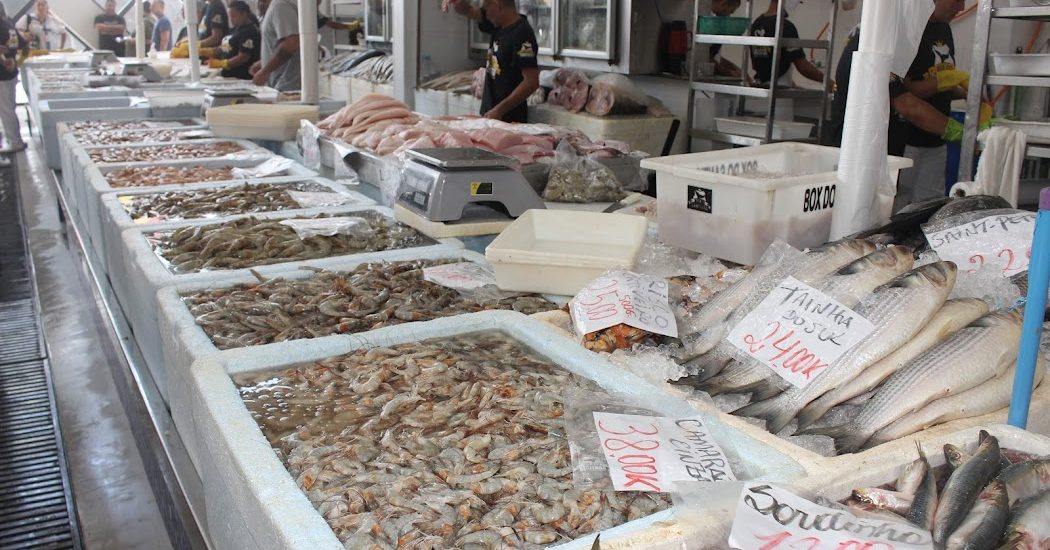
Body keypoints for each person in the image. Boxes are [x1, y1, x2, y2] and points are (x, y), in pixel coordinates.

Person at [895, 0, 967, 209]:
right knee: (899, 204)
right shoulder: (910, 29)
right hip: (908, 140)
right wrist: (942, 82)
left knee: (930, 206)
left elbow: (940, 80)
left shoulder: (944, 29)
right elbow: (905, 92)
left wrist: (968, 95)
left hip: (936, 140)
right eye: (957, 0)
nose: (961, 7)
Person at [450, 0, 540, 123]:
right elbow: (468, 10)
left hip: (509, 120)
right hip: (490, 116)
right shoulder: (497, 26)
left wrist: (499, 110)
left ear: (497, 5)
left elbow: (531, 82)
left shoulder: (522, 33)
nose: (486, 16)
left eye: (487, 11)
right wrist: (457, 3)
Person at [748, 0, 823, 86]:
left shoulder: (756, 24)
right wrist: (831, 84)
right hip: (779, 90)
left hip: (760, 86)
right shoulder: (785, 26)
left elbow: (762, 63)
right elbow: (803, 67)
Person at [251, 0, 301, 90]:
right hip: (278, 83)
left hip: (288, 86)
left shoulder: (280, 6)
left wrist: (265, 71)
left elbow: (291, 44)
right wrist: (264, 62)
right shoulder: (274, 7)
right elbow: (277, 44)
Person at [209, 1, 259, 80]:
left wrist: (224, 63)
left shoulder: (250, 32)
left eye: (234, 16)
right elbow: (225, 46)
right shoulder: (235, 29)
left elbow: (243, 57)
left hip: (240, 77)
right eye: (230, 17)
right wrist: (209, 51)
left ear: (244, 14)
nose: (231, 19)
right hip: (226, 75)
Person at [0, 3, 26, 152]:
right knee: (9, 108)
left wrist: (6, 60)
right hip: (10, 72)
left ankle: (15, 141)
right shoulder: (8, 25)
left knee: (6, 109)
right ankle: (15, 139)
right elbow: (20, 45)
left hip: (3, 73)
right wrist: (13, 60)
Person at [710, 0, 742, 79]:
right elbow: (705, 57)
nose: (729, 15)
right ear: (724, 4)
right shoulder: (707, 22)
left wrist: (735, 68)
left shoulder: (716, 22)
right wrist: (730, 73)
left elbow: (715, 56)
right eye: (731, 11)